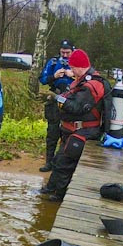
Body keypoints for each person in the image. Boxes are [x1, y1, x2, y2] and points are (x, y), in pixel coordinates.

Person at [39, 48, 106, 202]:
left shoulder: (91, 85)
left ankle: (58, 196)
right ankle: (50, 188)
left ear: (78, 66)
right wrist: (55, 97)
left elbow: (76, 107)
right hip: (71, 130)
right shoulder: (82, 81)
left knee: (64, 164)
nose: (71, 71)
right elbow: (69, 97)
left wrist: (57, 99)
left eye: (72, 68)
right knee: (58, 161)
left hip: (84, 131)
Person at [38, 39, 75, 172]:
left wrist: (73, 75)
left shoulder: (78, 63)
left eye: (68, 52)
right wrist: (53, 76)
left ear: (73, 51)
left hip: (71, 101)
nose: (65, 55)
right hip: (54, 100)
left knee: (68, 134)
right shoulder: (53, 62)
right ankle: (49, 162)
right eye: (63, 52)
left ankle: (63, 163)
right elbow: (42, 79)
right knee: (52, 133)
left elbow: (88, 79)